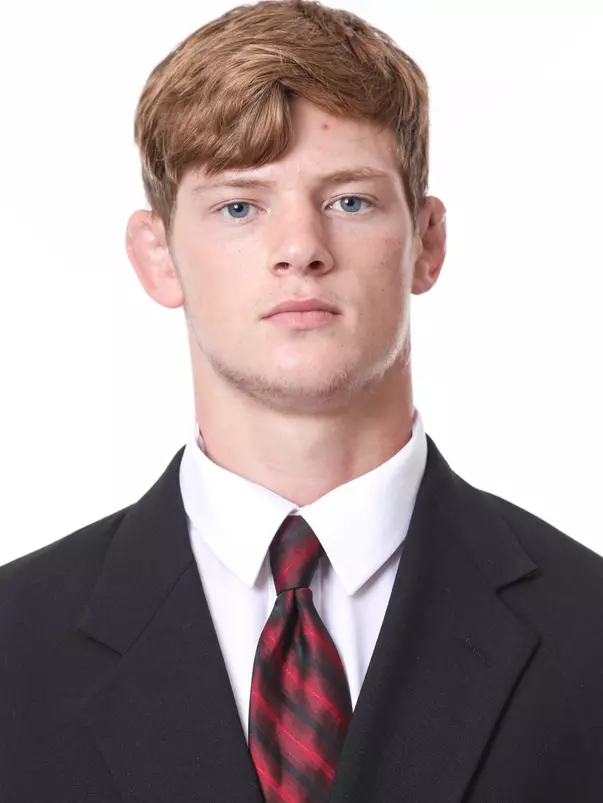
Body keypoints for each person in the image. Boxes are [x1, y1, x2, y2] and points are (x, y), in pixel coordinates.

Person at [1, 0, 602, 800]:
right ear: (158, 257)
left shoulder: (588, 633)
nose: (300, 250)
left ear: (426, 242)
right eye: (239, 206)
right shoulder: (14, 643)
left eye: (349, 200)